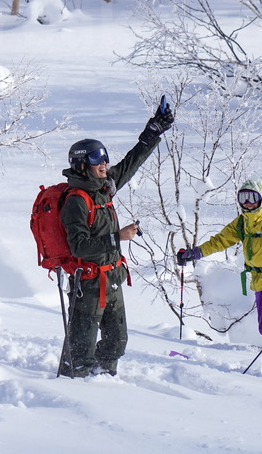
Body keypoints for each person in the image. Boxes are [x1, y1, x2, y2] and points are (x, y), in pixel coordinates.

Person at [58, 100, 175, 377]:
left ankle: (103, 384)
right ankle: (71, 386)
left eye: (105, 158)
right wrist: (116, 238)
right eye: (98, 160)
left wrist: (153, 131)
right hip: (87, 284)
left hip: (112, 279)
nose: (105, 164)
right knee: (80, 349)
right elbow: (79, 247)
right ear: (82, 165)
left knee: (117, 342)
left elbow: (131, 163)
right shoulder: (76, 200)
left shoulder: (104, 187)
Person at [176, 178, 262, 356]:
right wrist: (196, 253)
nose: (248, 202)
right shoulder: (243, 222)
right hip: (259, 283)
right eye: (243, 198)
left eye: (252, 197)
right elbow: (220, 240)